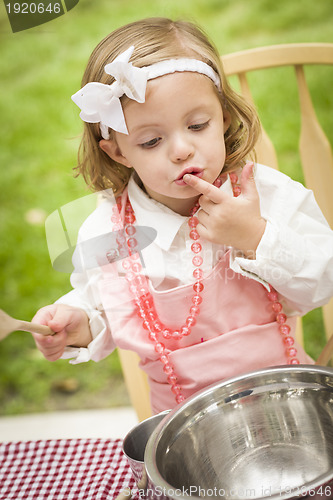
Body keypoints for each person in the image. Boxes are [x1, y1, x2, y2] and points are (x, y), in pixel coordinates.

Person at [32, 17, 333, 414]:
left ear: (223, 116)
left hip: (288, 409)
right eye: (151, 140)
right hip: (184, 433)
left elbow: (323, 281)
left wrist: (256, 236)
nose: (181, 149)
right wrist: (77, 324)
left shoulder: (263, 195)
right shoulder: (108, 230)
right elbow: (102, 308)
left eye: (197, 124)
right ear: (119, 152)